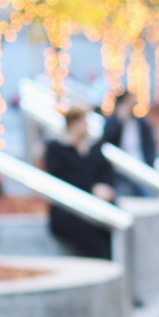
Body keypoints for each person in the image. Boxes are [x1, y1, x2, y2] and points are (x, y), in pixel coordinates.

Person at [44, 106, 116, 259]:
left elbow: (106, 172)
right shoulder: (56, 149)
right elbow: (62, 179)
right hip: (71, 211)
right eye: (84, 121)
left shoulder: (94, 147)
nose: (87, 126)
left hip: (98, 207)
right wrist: (92, 188)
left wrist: (105, 188)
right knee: (96, 244)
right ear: (74, 124)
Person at [102, 90, 158, 197]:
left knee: (147, 195)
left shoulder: (141, 123)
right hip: (119, 170)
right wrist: (120, 121)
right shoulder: (113, 122)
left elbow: (150, 146)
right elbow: (107, 141)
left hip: (140, 167)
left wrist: (150, 164)